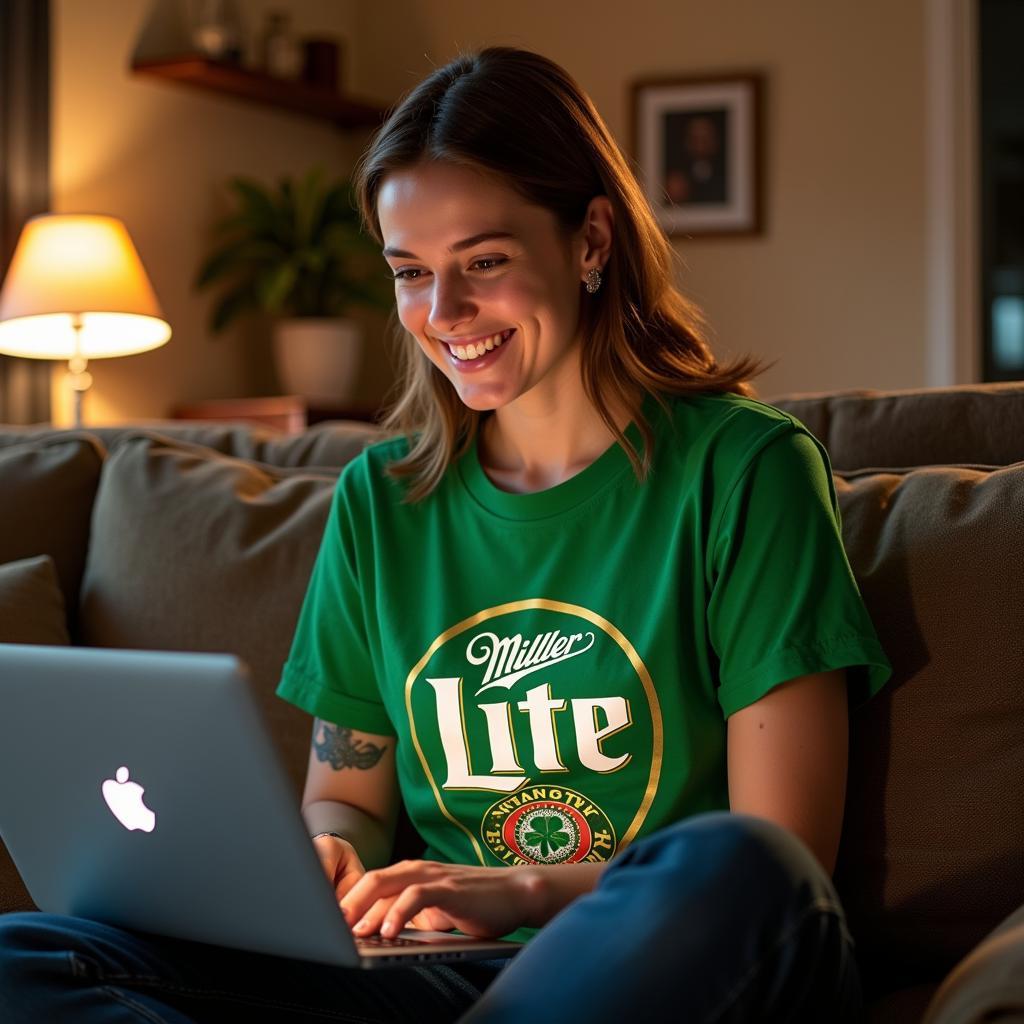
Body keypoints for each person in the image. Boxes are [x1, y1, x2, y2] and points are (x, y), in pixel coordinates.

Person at [0, 45, 892, 1023]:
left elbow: (785, 848)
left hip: (678, 959)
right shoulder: (380, 502)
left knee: (741, 860)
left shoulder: (747, 469)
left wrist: (517, 889)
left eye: (485, 262)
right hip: (437, 975)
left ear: (591, 240)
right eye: (410, 272)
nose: (443, 313)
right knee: (33, 954)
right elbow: (347, 792)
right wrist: (327, 851)